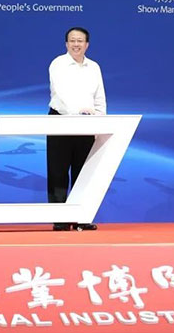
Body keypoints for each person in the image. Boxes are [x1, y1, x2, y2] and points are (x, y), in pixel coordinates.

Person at [47, 27, 106, 231]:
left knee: (84, 171)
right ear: (66, 44)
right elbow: (60, 93)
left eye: (80, 41)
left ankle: (82, 217)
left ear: (87, 44)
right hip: (61, 121)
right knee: (58, 170)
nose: (76, 44)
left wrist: (100, 122)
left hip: (87, 124)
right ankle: (60, 219)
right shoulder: (58, 64)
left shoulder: (94, 67)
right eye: (72, 40)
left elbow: (99, 98)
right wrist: (77, 113)